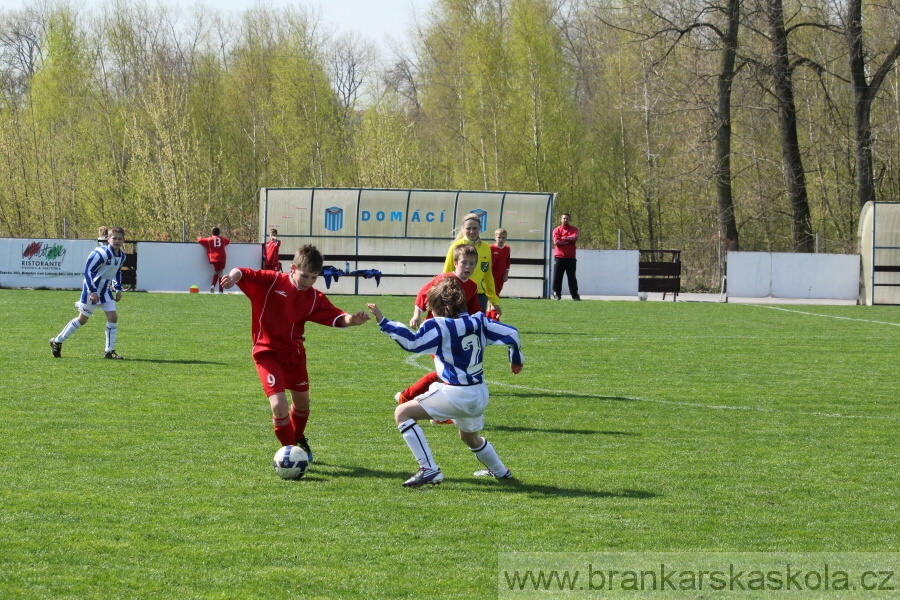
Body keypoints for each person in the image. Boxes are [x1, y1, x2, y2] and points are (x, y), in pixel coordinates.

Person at [367, 276, 525, 487]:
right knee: (470, 438)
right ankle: (501, 472)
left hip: (457, 394)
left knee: (402, 413)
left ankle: (428, 469)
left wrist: (384, 322)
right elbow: (512, 333)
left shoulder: (441, 326)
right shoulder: (479, 320)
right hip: (479, 393)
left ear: (438, 307)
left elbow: (412, 343)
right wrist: (516, 360)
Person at [219, 244, 370, 460]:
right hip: (267, 353)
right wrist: (233, 277)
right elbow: (243, 272)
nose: (308, 282)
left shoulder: (314, 298)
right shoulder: (272, 281)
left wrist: (353, 320)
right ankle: (291, 454)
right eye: (305, 276)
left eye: (313, 277)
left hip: (294, 355)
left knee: (302, 404)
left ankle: (297, 438)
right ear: (292, 268)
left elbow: (336, 316)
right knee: (279, 407)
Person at [394, 244, 482, 419]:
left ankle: (413, 400)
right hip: (438, 332)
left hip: (455, 335)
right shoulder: (444, 279)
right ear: (455, 263)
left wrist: (484, 324)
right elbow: (423, 294)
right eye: (464, 263)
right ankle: (412, 398)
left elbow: (474, 311)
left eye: (472, 264)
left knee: (448, 374)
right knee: (447, 374)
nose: (468, 267)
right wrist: (416, 315)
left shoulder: (472, 286)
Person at [50, 226, 127, 360]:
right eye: (114, 238)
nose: (117, 241)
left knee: (113, 317)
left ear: (123, 240)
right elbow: (88, 271)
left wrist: (118, 288)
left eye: (120, 239)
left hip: (105, 291)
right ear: (108, 239)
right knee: (82, 319)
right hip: (92, 291)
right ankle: (57, 341)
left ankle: (109, 351)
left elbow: (117, 272)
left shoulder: (122, 256)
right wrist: (92, 291)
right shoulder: (99, 253)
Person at [443, 212, 501, 317]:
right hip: (459, 296)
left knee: (477, 329)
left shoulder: (486, 248)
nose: (471, 231)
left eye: (475, 228)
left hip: (479, 297)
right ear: (463, 229)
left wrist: (494, 301)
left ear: (480, 228)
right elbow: (446, 274)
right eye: (468, 228)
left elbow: (487, 275)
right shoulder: (455, 247)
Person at [551, 213, 580, 301]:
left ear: (569, 220)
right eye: (564, 218)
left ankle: (575, 295)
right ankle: (557, 294)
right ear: (561, 219)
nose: (565, 220)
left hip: (571, 258)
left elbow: (574, 237)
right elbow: (556, 241)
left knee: (572, 277)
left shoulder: (574, 229)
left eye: (567, 218)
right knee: (557, 277)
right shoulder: (556, 230)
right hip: (559, 257)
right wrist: (567, 241)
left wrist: (563, 238)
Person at [197, 227, 230, 293]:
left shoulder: (209, 240)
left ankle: (212, 286)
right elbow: (228, 241)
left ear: (212, 233)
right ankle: (221, 291)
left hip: (214, 258)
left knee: (216, 272)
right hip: (222, 257)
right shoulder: (222, 239)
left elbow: (200, 240)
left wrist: (199, 236)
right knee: (220, 273)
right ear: (219, 233)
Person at [489, 228, 511, 319]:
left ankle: (489, 317)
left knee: (494, 297)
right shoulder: (491, 248)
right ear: (495, 237)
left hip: (500, 277)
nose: (501, 239)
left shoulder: (507, 248)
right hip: (490, 277)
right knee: (493, 297)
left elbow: (507, 262)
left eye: (503, 238)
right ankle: (494, 317)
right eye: (499, 237)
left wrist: (506, 274)